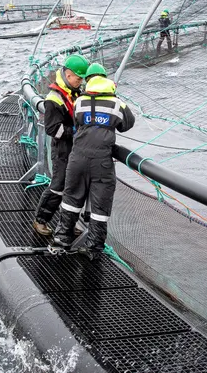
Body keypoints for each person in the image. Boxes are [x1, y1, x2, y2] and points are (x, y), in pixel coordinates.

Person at [53, 75, 135, 259]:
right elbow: (127, 124)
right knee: (100, 204)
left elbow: (77, 122)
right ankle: (93, 248)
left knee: (71, 197)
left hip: (78, 157)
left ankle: (62, 238)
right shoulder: (117, 104)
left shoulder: (80, 102)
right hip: (102, 161)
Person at [32, 54, 89, 235]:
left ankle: (68, 225)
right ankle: (40, 220)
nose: (80, 82)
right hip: (63, 150)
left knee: (74, 187)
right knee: (58, 186)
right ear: (68, 74)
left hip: (76, 149)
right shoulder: (54, 99)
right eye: (78, 78)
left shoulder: (76, 93)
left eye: (82, 79)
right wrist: (75, 131)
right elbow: (52, 129)